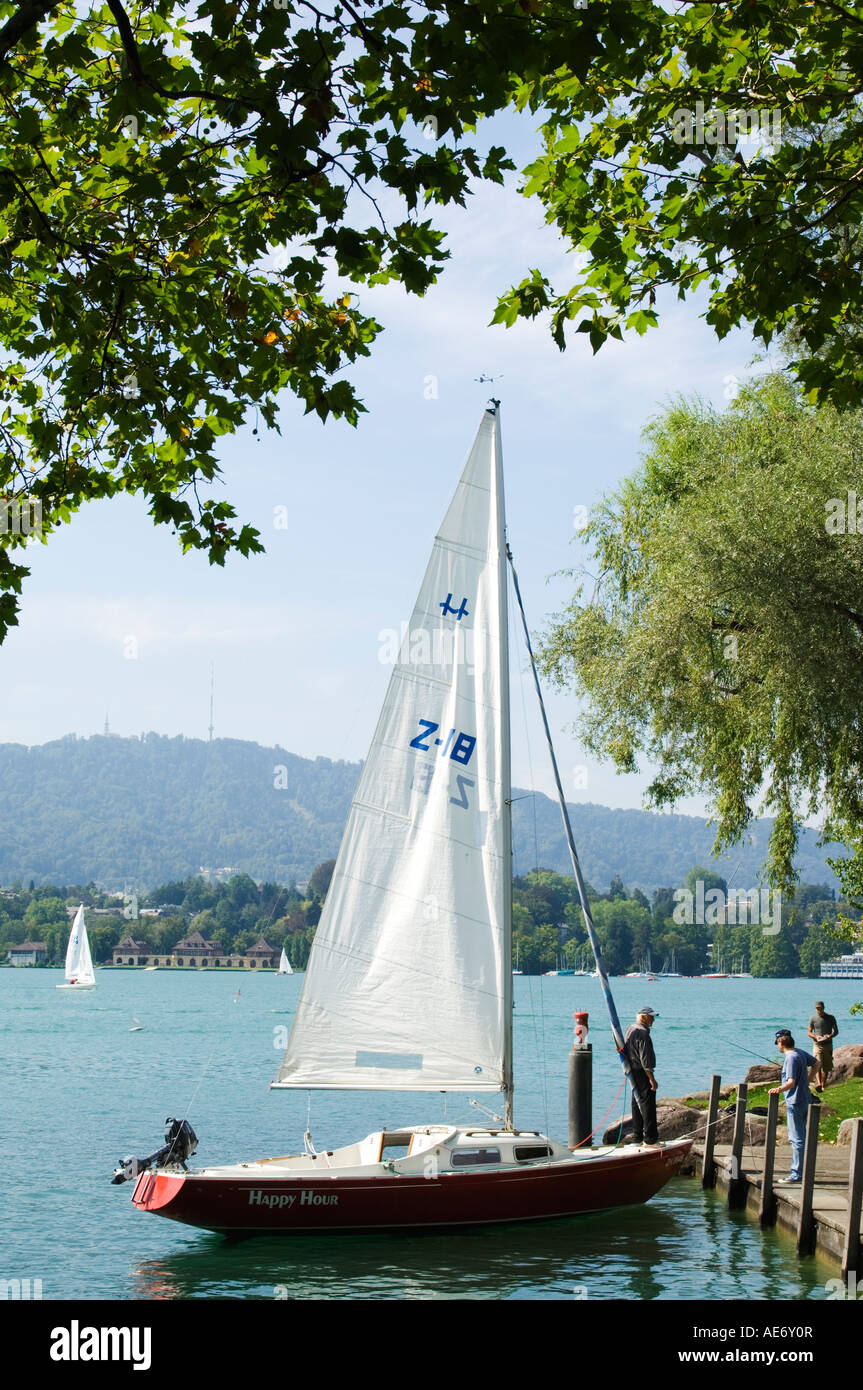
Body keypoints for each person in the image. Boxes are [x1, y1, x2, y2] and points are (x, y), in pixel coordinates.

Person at [769, 1030, 817, 1184]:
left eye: (778, 1043)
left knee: (797, 1138)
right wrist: (808, 1080)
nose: (778, 1046)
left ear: (781, 1043)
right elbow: (817, 1063)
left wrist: (778, 1089)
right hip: (805, 1098)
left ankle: (796, 1174)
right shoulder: (800, 1053)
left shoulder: (790, 1058)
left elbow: (791, 1082)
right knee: (801, 1136)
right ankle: (800, 1171)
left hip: (795, 1101)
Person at [625, 1006, 660, 1147]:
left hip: (633, 1070)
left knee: (637, 1101)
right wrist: (652, 1078)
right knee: (648, 1105)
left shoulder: (630, 1029)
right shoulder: (642, 1033)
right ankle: (650, 1139)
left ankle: (637, 1137)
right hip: (642, 1071)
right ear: (643, 1016)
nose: (653, 1019)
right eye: (651, 1016)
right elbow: (645, 1059)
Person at [807, 1001, 839, 1093]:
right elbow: (809, 1032)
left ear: (823, 1008)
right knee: (817, 1063)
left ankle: (823, 1085)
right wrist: (815, 1037)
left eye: (820, 1008)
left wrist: (830, 1036)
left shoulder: (830, 1018)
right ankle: (819, 1084)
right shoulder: (813, 1018)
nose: (819, 1010)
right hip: (817, 1044)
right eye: (817, 1008)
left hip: (828, 1044)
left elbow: (836, 1031)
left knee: (826, 1066)